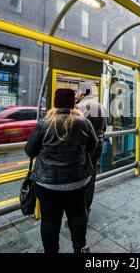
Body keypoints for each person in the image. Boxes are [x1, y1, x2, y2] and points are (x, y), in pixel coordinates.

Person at [24, 88, 98, 253]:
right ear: (73, 104)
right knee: (78, 215)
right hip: (78, 181)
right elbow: (93, 145)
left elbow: (29, 151)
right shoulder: (83, 123)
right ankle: (79, 248)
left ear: (55, 104)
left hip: (47, 183)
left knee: (50, 220)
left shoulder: (44, 123)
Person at [75, 82, 107, 216]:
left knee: (78, 178)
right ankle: (86, 208)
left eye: (77, 92)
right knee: (91, 177)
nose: (76, 95)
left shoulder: (78, 108)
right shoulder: (101, 107)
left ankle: (78, 209)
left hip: (83, 148)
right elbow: (104, 128)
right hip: (98, 144)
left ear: (82, 93)